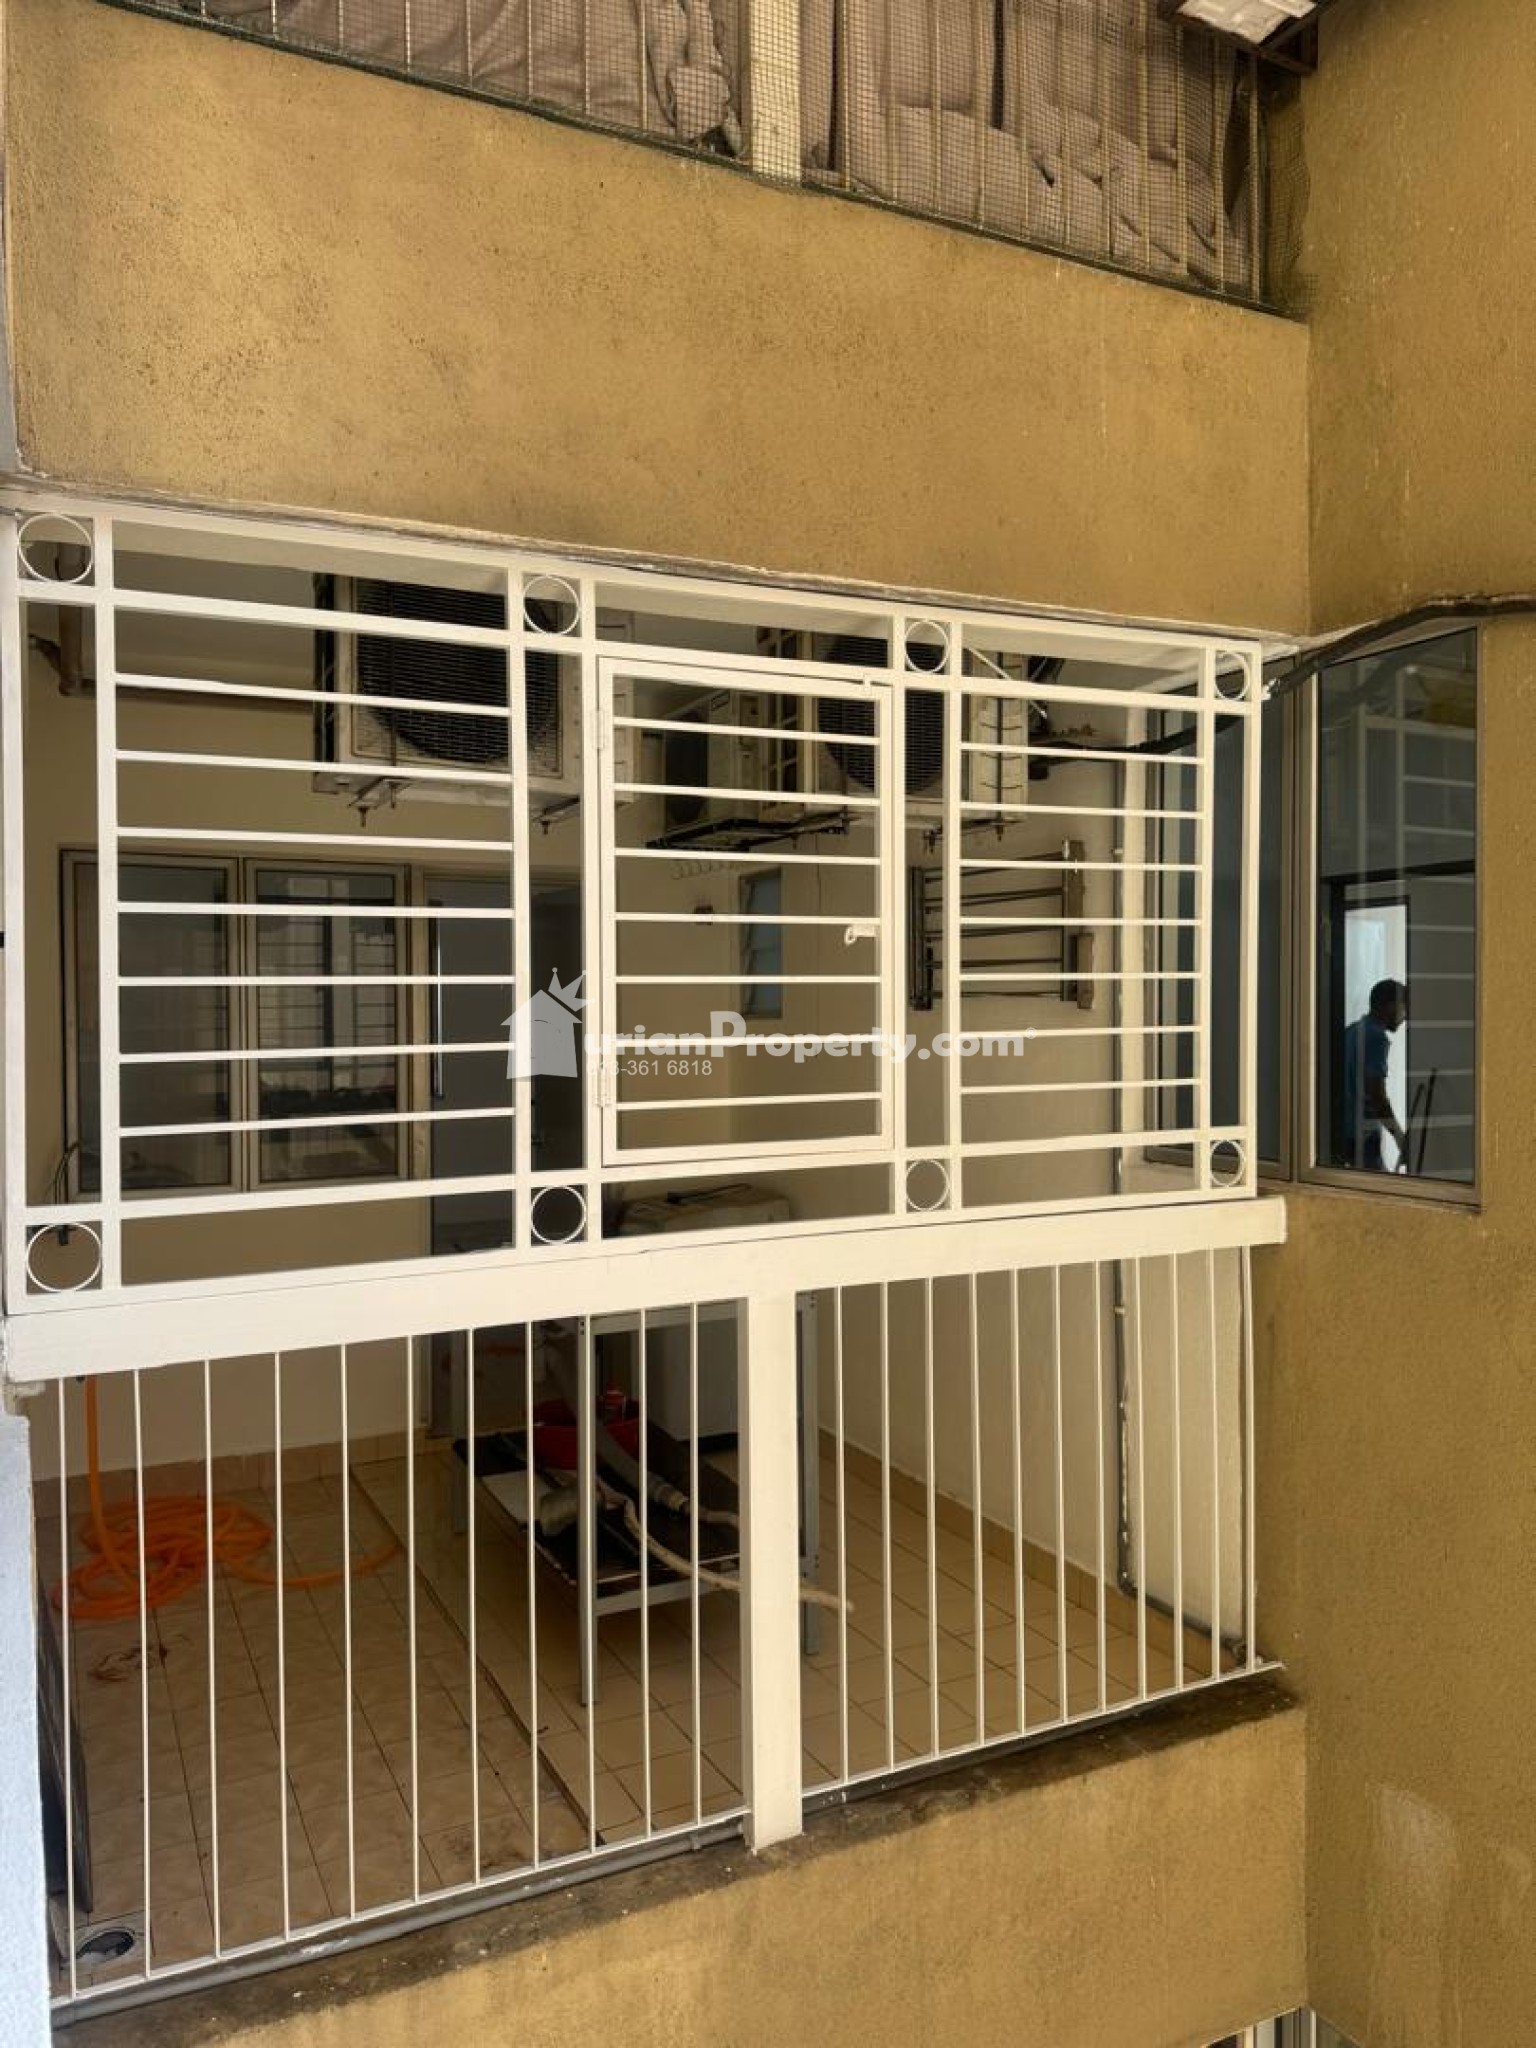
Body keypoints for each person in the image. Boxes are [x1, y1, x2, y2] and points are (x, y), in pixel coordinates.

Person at [1341, 978, 1409, 1171]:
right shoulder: (1376, 1038)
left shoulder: (1352, 1031)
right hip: (1363, 1135)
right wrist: (1399, 1137)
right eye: (1404, 1008)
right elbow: (1377, 1095)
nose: (1405, 1017)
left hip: (1344, 1132)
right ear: (1391, 1006)